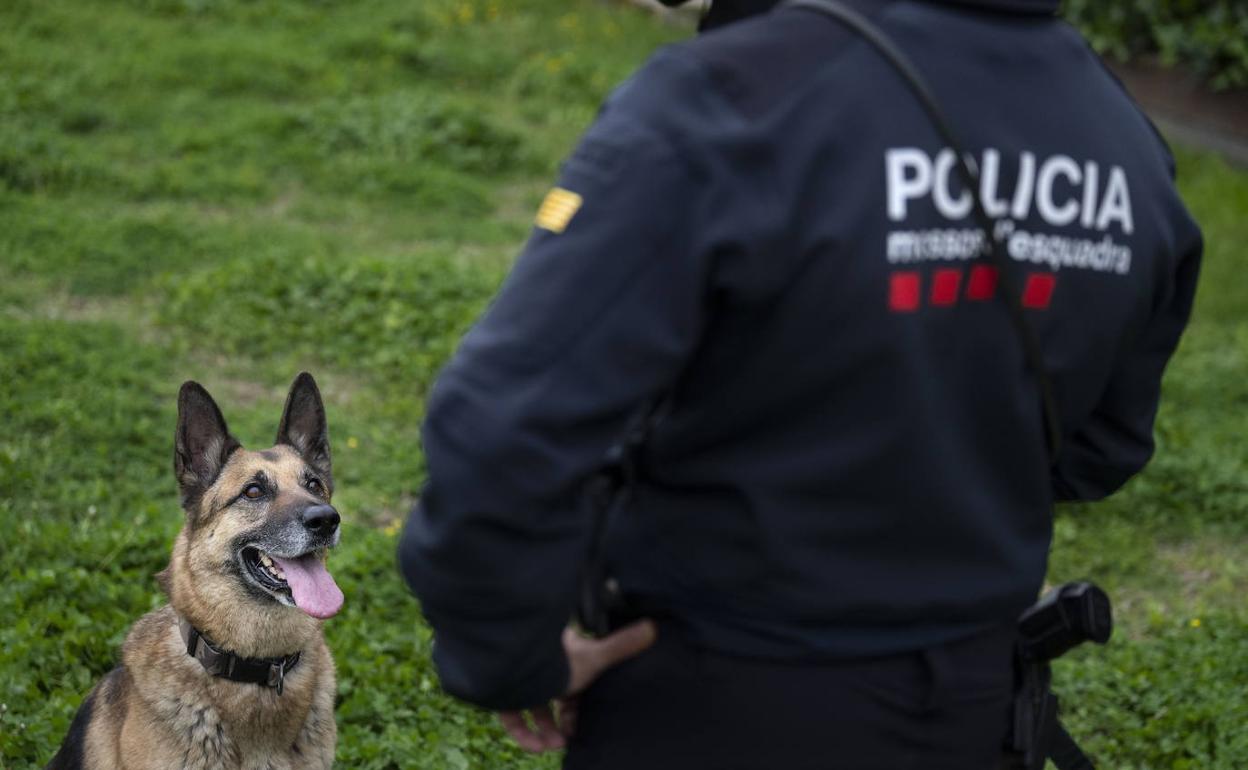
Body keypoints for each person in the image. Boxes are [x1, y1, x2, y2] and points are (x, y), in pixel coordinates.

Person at [399, 0, 1202, 767]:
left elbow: (504, 428)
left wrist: (505, 653)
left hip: (720, 699)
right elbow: (1101, 449)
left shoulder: (734, 99)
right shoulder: (1126, 142)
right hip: (971, 703)